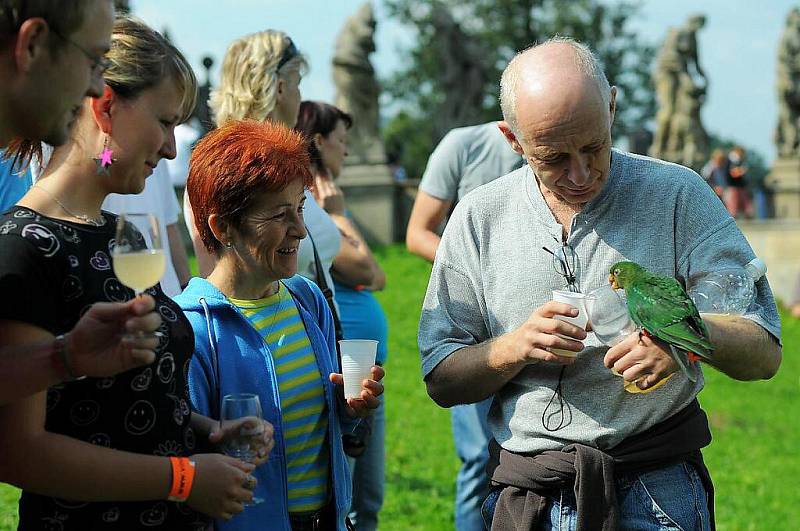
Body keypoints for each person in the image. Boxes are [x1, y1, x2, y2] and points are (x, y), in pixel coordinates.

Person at [418, 37, 782, 530]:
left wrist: (684, 341)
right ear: (512, 140)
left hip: (659, 492)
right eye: (552, 158)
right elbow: (441, 379)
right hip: (531, 498)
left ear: (611, 106)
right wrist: (514, 348)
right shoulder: (479, 217)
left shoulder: (677, 196)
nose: (581, 174)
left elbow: (764, 351)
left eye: (595, 146)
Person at [0, 17, 271, 528]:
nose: (172, 149)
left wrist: (206, 429)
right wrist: (184, 479)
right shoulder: (24, 248)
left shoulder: (121, 235)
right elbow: (21, 452)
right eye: (165, 122)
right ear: (106, 107)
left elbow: (126, 398)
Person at [176, 118, 385, 531]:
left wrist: (350, 408)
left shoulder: (307, 299)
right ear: (222, 227)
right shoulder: (193, 329)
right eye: (279, 215)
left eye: (301, 208)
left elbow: (324, 428)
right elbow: (185, 453)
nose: (301, 230)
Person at [0, 0, 163, 403]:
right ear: (33, 44)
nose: (95, 85)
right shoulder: (24, 239)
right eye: (93, 58)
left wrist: (64, 357)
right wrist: (185, 470)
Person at [405, 121, 522, 531]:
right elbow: (417, 233)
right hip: (478, 332)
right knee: (479, 457)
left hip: (543, 327)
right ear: (509, 128)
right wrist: (478, 271)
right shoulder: (462, 146)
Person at [296, 100, 387, 531]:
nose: (346, 152)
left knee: (368, 495)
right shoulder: (315, 205)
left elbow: (381, 277)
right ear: (318, 141)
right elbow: (365, 268)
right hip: (343, 366)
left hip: (363, 366)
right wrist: (337, 216)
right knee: (351, 497)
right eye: (341, 141)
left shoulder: (327, 200)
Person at [103, 160, 192, 296]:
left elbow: (169, 226)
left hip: (170, 301)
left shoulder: (158, 158)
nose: (172, 153)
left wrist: (187, 292)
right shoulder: (101, 165)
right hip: (120, 304)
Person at [724, 145, 752, 218]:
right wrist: (741, 171)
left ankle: (746, 214)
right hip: (733, 185)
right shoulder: (731, 160)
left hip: (739, 185)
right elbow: (732, 173)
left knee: (743, 202)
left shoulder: (738, 160)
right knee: (733, 204)